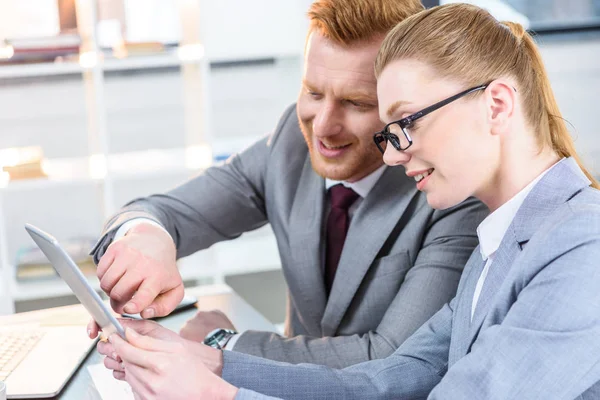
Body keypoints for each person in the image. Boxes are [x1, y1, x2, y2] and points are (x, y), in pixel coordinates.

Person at [96, 3, 600, 399]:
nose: (395, 154)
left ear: (496, 105)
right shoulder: (504, 238)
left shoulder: (583, 246)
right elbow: (389, 378)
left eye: (405, 124)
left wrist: (221, 394)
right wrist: (211, 365)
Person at [88, 0, 486, 368]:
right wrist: (146, 237)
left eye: (358, 103)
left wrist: (223, 344)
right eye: (313, 93)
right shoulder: (291, 144)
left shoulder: (452, 188)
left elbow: (391, 358)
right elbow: (165, 212)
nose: (324, 127)